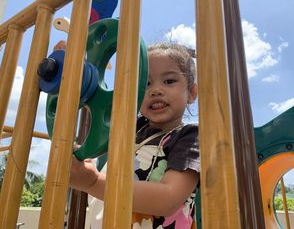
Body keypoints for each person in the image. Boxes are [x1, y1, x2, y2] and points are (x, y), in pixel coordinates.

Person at [69, 42, 200, 228]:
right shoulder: (132, 127)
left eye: (169, 81)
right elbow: (97, 107)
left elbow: (168, 199)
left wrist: (93, 183)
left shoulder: (189, 137)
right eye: (145, 83)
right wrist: (76, 70)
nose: (155, 90)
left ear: (192, 93)